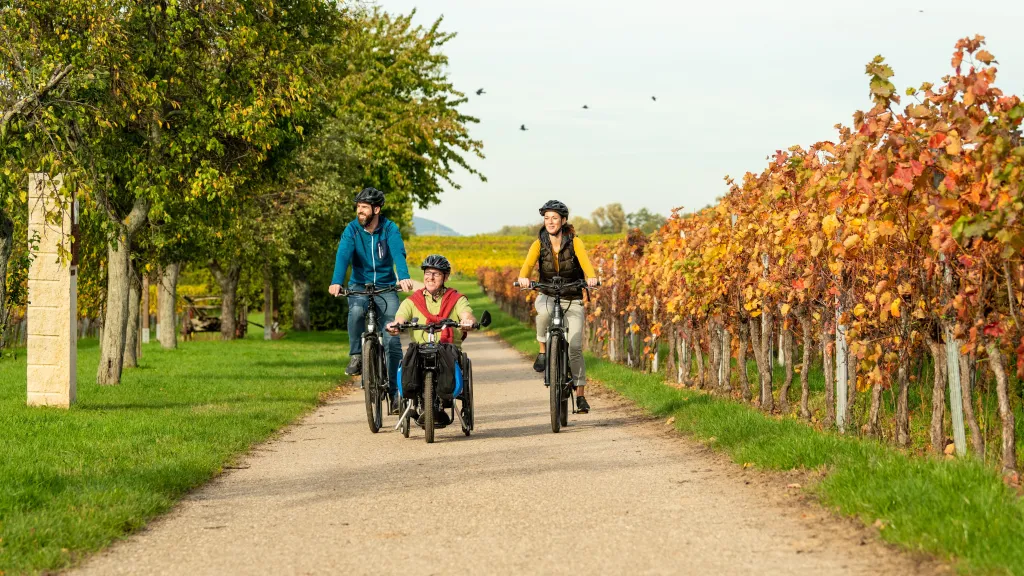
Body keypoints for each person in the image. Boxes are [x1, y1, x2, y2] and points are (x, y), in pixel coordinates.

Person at [329, 187, 414, 414]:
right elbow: (343, 255)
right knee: (356, 312)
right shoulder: (352, 230)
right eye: (358, 207)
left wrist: (403, 276)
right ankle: (357, 355)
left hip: (386, 287)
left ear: (376, 209)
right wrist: (337, 281)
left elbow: (398, 253)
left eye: (364, 207)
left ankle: (395, 395)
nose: (360, 211)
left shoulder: (389, 228)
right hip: (359, 286)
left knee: (392, 340)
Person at [517, 200, 599, 414]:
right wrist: (523, 278)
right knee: (543, 315)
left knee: (575, 347)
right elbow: (528, 265)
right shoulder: (539, 243)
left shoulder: (575, 242)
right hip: (547, 293)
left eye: (554, 218)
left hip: (572, 296)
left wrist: (591, 277)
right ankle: (543, 352)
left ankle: (580, 395)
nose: (550, 222)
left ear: (563, 220)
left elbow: (585, 262)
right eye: (547, 218)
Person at [387, 254, 476, 426]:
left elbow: (467, 313)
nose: (431, 277)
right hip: (420, 349)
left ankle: (443, 397)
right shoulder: (413, 300)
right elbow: (401, 316)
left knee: (445, 356)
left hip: (447, 349)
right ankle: (413, 396)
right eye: (428, 273)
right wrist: (396, 325)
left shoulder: (456, 299)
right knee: (410, 358)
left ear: (445, 277)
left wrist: (467, 321)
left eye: (436, 274)